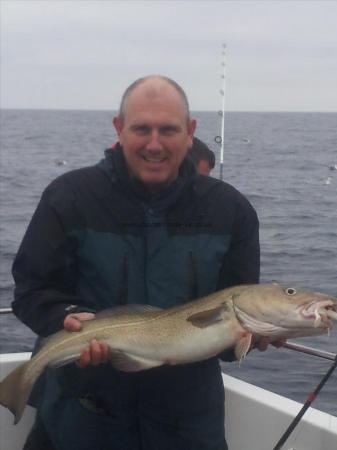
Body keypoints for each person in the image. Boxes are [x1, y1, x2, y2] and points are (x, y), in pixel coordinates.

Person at [12, 75, 262, 450]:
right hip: (82, 420)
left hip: (187, 426)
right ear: (119, 128)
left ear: (190, 131)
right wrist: (64, 316)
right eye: (142, 128)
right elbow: (32, 290)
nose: (154, 143)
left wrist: (255, 333)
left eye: (168, 129)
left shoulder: (231, 210)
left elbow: (226, 342)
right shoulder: (69, 196)